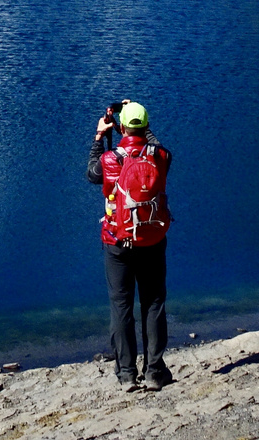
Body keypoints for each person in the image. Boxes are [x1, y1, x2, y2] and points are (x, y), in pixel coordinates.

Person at [87, 100, 172, 391]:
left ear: (121, 127)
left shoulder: (111, 159)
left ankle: (126, 374)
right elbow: (156, 145)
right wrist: (139, 125)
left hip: (117, 241)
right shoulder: (160, 156)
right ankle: (154, 372)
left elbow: (91, 174)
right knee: (153, 303)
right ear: (147, 126)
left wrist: (99, 137)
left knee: (121, 305)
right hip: (152, 238)